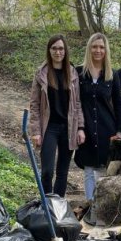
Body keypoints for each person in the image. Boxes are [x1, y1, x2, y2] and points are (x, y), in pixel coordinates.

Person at [29, 34, 85, 198]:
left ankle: (58, 205)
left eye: (61, 48)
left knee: (62, 172)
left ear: (65, 50)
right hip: (49, 128)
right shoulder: (41, 74)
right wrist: (35, 131)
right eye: (54, 48)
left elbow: (77, 103)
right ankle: (46, 204)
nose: (58, 52)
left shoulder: (73, 73)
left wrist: (80, 128)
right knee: (47, 170)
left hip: (68, 128)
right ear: (49, 50)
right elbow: (34, 104)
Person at [75, 33, 121, 203]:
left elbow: (119, 105)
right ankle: (90, 207)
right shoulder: (79, 73)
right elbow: (75, 102)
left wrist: (120, 130)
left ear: (106, 50)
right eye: (94, 46)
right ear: (89, 48)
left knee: (104, 170)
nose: (98, 50)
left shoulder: (112, 75)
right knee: (89, 170)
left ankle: (103, 209)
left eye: (101, 47)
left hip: (106, 129)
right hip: (86, 127)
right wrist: (78, 128)